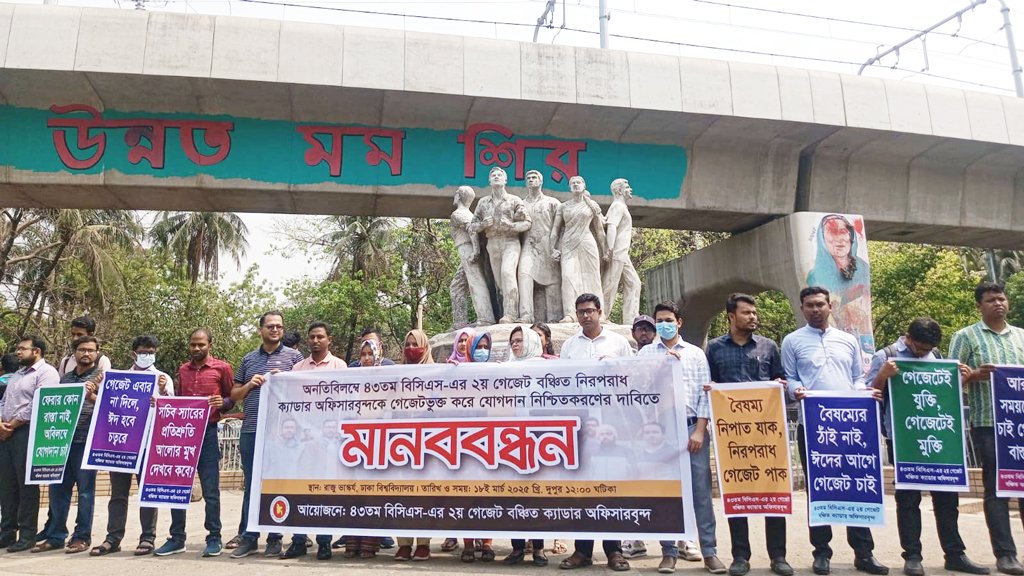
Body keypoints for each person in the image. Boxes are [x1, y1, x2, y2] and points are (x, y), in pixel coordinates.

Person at [869, 317, 988, 576]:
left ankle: (955, 554)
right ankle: (912, 556)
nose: (923, 353)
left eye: (928, 349)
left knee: (947, 498)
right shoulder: (886, 356)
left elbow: (943, 395)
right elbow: (868, 395)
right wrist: (883, 375)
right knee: (908, 500)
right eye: (920, 348)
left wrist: (963, 379)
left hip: (940, 437)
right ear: (908, 337)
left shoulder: (937, 357)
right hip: (903, 440)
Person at [783, 286, 887, 576]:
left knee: (856, 486)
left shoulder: (848, 340)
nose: (815, 309)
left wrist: (864, 393)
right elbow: (790, 378)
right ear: (802, 309)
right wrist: (796, 390)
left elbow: (857, 378)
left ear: (830, 306)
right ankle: (821, 553)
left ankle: (864, 554)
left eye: (820, 304)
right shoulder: (792, 341)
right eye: (809, 305)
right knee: (819, 489)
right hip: (813, 427)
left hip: (850, 426)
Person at [705, 294, 792, 576]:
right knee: (736, 494)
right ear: (731, 316)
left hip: (767, 436)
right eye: (747, 313)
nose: (753, 317)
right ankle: (740, 556)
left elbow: (780, 380)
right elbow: (710, 384)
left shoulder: (769, 346)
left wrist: (779, 385)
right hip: (732, 437)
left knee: (773, 492)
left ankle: (778, 556)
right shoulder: (714, 348)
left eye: (754, 312)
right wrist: (711, 389)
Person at [637, 301, 724, 575]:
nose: (664, 324)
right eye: (659, 320)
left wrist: (699, 429)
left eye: (668, 320)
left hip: (691, 428)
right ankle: (669, 552)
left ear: (679, 322)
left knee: (700, 493)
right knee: (667, 493)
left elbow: (704, 393)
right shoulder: (646, 354)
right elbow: (638, 390)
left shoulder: (695, 354)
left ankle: (709, 551)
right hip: (661, 430)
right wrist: (660, 368)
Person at [950, 282, 1024, 576]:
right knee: (997, 489)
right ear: (979, 305)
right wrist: (974, 376)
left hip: (1020, 425)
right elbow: (949, 380)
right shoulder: (966, 337)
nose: (998, 303)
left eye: (1001, 298)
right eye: (991, 300)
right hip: (988, 423)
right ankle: (1006, 554)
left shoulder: (1021, 336)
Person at [558, 293, 632, 572]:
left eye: (590, 310)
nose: (585, 316)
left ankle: (614, 551)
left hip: (612, 423)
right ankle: (582, 550)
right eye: (580, 312)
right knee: (582, 489)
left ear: (600, 312)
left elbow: (631, 378)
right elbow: (562, 384)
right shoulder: (570, 346)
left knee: (611, 487)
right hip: (581, 426)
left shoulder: (618, 342)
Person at [230, 311, 304, 559]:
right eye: (270, 326)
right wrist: (250, 385)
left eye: (279, 326)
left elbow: (304, 391)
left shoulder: (294, 357)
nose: (275, 330)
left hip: (281, 434)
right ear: (260, 329)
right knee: (252, 485)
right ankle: (249, 537)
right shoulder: (248, 359)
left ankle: (275, 537)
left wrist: (286, 381)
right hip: (252, 430)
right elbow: (234, 395)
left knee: (278, 484)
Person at [154, 328, 235, 557]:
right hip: (183, 434)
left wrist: (223, 402)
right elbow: (180, 402)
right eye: (193, 344)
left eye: (201, 344)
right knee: (177, 487)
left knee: (211, 490)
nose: (197, 348)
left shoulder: (222, 368)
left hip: (208, 432)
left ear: (210, 345)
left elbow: (232, 398)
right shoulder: (183, 370)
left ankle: (214, 537)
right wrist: (162, 398)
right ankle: (177, 538)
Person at [90, 335, 173, 557]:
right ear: (133, 354)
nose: (147, 356)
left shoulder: (162, 378)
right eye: (143, 352)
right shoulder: (119, 379)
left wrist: (162, 395)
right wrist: (97, 388)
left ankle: (147, 538)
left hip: (148, 445)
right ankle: (113, 538)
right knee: (118, 494)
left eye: (151, 352)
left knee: (147, 493)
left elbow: (172, 412)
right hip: (122, 446)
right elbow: (107, 405)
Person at [34, 336, 103, 554]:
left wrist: (92, 395)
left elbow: (111, 409)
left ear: (97, 353)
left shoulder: (103, 378)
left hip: (86, 442)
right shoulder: (65, 379)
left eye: (91, 350)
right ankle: (56, 536)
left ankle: (81, 537)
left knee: (85, 493)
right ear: (75, 353)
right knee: (58, 490)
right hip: (61, 442)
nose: (86, 353)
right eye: (82, 349)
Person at [284, 322, 347, 560]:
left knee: (324, 490)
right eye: (312, 337)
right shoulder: (298, 368)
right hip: (304, 440)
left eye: (320, 337)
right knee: (299, 489)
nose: (316, 341)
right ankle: (298, 540)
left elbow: (345, 402)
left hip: (329, 440)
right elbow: (290, 403)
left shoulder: (340, 366)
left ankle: (324, 542)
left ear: (329, 339)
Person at [0, 336, 60, 552]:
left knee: (26, 486)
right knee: (7, 485)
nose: (18, 352)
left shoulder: (47, 373)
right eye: (17, 348)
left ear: (36, 351)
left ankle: (27, 535)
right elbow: (4, 401)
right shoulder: (18, 374)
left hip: (28, 432)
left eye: (22, 348)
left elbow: (39, 403)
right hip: (6, 434)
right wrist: (1, 424)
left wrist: (14, 423)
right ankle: (7, 533)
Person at [470, 166, 532, 323]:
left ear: (505, 180)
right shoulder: (483, 202)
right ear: (489, 181)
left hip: (510, 242)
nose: (496, 177)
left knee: (507, 273)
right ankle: (505, 312)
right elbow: (472, 226)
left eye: (499, 175)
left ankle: (511, 314)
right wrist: (483, 225)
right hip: (492, 243)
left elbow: (527, 223)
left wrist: (511, 226)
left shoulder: (514, 200)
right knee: (499, 282)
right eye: (493, 175)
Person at [395, 328, 434, 561]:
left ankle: (423, 543)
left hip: (429, 443)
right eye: (407, 344)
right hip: (401, 442)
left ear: (425, 347)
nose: (411, 349)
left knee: (424, 495)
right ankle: (403, 544)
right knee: (402, 493)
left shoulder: (437, 374)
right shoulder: (396, 375)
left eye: (415, 344)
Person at [551, 177, 607, 322]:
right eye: (573, 183)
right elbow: (555, 229)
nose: (576, 185)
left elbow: (599, 230)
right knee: (568, 277)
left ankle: (597, 313)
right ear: (569, 188)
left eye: (578, 182)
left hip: (587, 242)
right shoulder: (563, 207)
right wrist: (552, 248)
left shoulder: (592, 205)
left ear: (584, 185)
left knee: (593, 277)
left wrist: (605, 250)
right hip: (568, 243)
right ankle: (570, 313)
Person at [518, 169, 563, 323]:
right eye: (528, 178)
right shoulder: (520, 204)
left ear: (541, 181)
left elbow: (561, 228)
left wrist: (558, 249)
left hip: (548, 247)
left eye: (534, 177)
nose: (531, 180)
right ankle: (526, 315)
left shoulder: (552, 203)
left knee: (553, 281)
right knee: (524, 274)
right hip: (528, 246)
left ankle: (555, 318)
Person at [451, 185, 496, 326]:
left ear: (459, 196)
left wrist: (475, 251)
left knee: (476, 282)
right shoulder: (470, 214)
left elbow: (471, 230)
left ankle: (485, 318)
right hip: (470, 249)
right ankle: (460, 322)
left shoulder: (458, 214)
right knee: (457, 286)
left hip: (467, 249)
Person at [601, 178, 641, 323]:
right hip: (617, 252)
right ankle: (601, 316)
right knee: (610, 284)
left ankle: (631, 320)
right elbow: (612, 226)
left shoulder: (621, 206)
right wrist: (610, 249)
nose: (630, 189)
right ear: (619, 190)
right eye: (627, 187)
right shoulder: (617, 206)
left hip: (623, 253)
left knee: (634, 283)